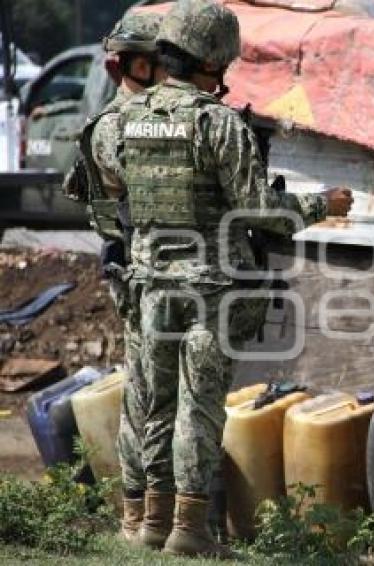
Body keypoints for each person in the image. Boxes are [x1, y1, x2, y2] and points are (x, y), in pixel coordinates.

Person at [117, 0, 353, 557]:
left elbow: (100, 187)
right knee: (198, 406)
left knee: (157, 402)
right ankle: (190, 530)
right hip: (211, 291)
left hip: (152, 285)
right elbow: (260, 210)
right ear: (213, 60)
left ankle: (152, 522)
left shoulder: (127, 117)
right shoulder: (217, 122)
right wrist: (326, 204)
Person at [62, 10, 165, 543]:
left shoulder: (109, 121)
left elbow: (77, 190)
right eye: (157, 62)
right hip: (143, 266)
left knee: (146, 395)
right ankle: (139, 516)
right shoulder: (128, 124)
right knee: (148, 398)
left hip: (132, 264)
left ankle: (143, 515)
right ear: (138, 65)